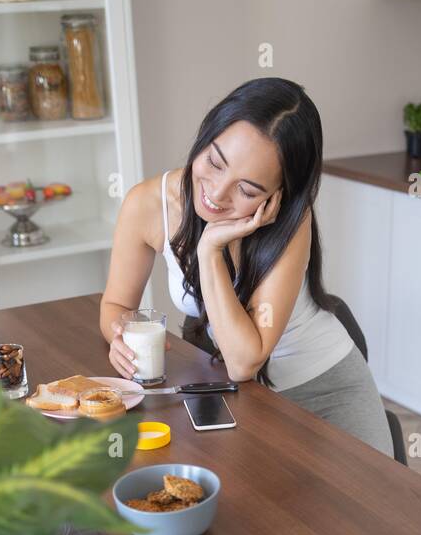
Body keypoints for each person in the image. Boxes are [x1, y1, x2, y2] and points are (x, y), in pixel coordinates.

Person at [100, 77, 393, 455]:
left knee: (377, 512)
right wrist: (117, 338)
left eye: (248, 190)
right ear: (207, 134)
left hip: (325, 389)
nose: (217, 194)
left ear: (279, 195)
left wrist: (208, 251)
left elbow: (244, 361)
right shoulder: (148, 204)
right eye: (214, 162)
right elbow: (116, 307)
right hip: (243, 402)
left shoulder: (291, 219)